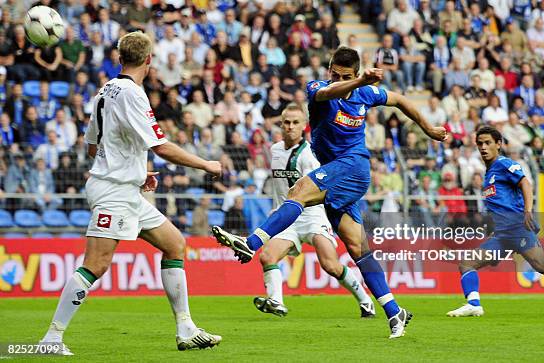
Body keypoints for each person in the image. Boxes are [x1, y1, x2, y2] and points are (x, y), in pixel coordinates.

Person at [211, 46, 447, 339]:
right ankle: (394, 310)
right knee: (358, 249)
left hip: (354, 167)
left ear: (355, 74)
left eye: (343, 76)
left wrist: (427, 129)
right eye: (333, 74)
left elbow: (399, 100)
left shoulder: (366, 94)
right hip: (338, 176)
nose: (335, 79)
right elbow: (327, 94)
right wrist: (359, 82)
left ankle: (251, 241)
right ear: (329, 70)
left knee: (298, 191)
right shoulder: (318, 89)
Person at [40, 32, 223, 355]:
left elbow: (94, 143)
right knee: (96, 264)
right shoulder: (133, 94)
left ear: (119, 57)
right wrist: (205, 164)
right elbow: (161, 146)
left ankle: (185, 328)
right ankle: (52, 338)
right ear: (150, 61)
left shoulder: (104, 91)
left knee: (174, 243)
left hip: (123, 187)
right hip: (114, 191)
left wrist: (136, 172)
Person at [446, 126, 544, 317]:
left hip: (518, 228)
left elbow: (525, 183)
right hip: (503, 234)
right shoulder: (489, 174)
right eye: (480, 143)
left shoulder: (504, 164)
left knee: (542, 266)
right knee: (467, 263)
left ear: (499, 144)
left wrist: (528, 210)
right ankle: (474, 304)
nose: (483, 147)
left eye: (488, 142)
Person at [253, 103, 375, 318]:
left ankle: (365, 300)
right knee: (267, 257)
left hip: (312, 214)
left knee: (330, 265)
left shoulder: (310, 154)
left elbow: (315, 190)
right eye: (286, 122)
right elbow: (278, 187)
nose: (290, 127)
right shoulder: (274, 150)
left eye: (295, 122)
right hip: (287, 218)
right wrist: (277, 209)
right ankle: (277, 302)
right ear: (280, 124)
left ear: (304, 126)